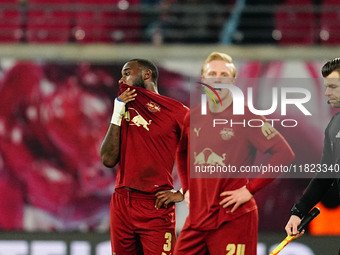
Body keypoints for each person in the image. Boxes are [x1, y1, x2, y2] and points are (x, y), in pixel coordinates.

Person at [174, 52, 295, 255]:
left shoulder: (247, 116)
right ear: (203, 80)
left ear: (233, 81)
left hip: (233, 218)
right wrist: (186, 189)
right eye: (212, 73)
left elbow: (284, 153)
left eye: (224, 74)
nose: (218, 78)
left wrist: (250, 189)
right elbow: (181, 151)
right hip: (197, 219)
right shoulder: (192, 116)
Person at [100, 58, 189, 255]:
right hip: (122, 202)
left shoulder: (176, 111)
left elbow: (205, 150)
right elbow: (107, 159)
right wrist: (117, 111)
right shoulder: (124, 108)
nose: (120, 80)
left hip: (156, 205)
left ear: (146, 75)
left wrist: (183, 193)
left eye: (126, 73)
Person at [285, 58, 340, 243]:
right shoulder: (334, 125)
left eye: (332, 86)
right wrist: (298, 212)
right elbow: (324, 177)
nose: (327, 92)